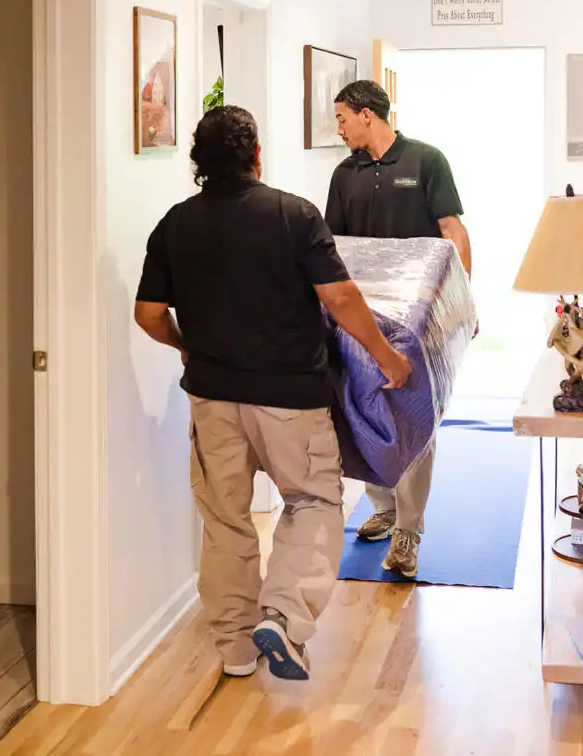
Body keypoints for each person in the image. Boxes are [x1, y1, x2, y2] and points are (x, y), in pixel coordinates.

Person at [135, 105, 410, 682]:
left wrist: (186, 346)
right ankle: (282, 617)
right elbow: (339, 298)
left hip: (212, 397)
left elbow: (149, 314)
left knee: (225, 519)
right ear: (255, 155)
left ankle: (236, 650)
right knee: (312, 502)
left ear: (199, 162)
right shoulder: (293, 214)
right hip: (290, 398)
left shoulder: (176, 223)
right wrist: (388, 357)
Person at [325, 79, 473, 579]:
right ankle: (383, 507)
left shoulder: (426, 161)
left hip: (416, 318)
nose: (339, 128)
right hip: (362, 314)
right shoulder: (344, 173)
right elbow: (335, 247)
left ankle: (409, 528)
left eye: (342, 118)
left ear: (367, 114)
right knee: (363, 407)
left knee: (412, 414)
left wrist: (462, 303)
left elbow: (452, 231)